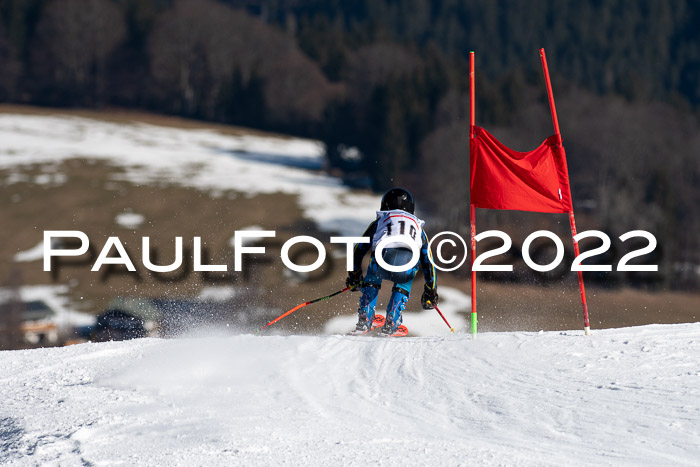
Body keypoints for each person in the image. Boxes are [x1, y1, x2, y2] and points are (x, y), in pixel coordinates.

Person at [346, 187, 438, 335]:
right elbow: (428, 261)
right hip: (408, 258)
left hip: (383, 255)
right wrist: (431, 291)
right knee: (403, 281)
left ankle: (364, 319)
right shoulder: (418, 227)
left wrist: (354, 275)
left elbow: (358, 249)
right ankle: (391, 322)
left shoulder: (381, 220)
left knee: (372, 277)